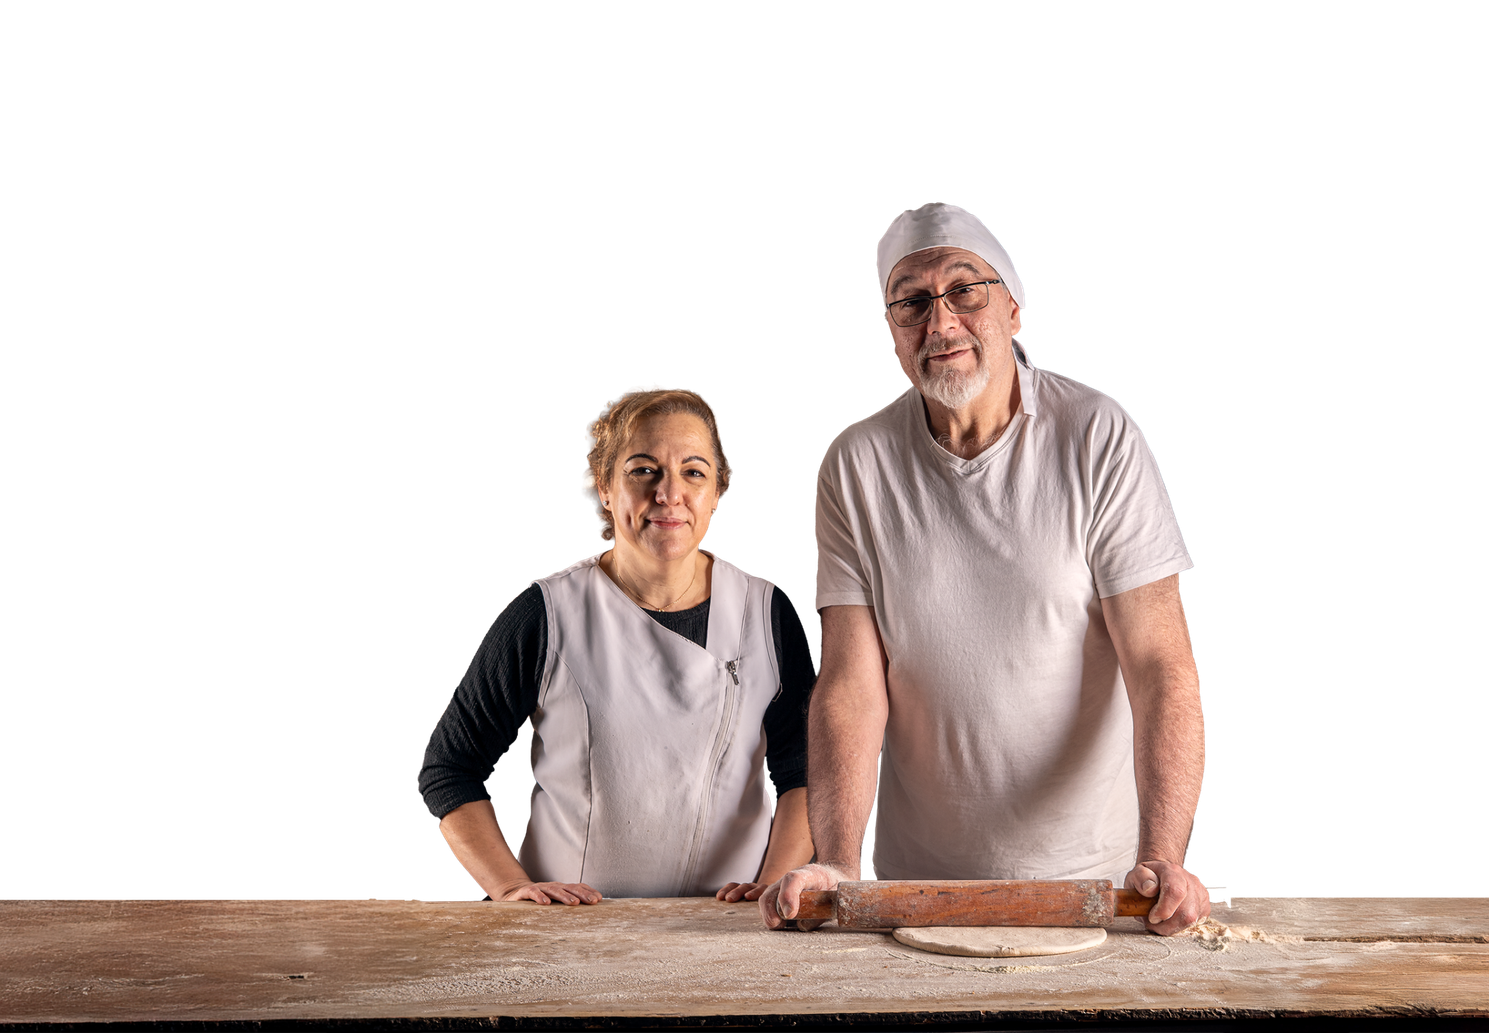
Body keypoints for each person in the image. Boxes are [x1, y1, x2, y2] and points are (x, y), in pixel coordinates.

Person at [760, 203, 1210, 936]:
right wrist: (838, 862)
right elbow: (850, 684)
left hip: (1095, 886)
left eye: (964, 289)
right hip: (915, 889)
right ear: (892, 329)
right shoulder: (856, 463)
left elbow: (1160, 666)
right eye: (911, 302)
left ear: (1014, 308)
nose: (940, 323)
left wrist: (1162, 858)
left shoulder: (1098, 436)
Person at [419, 386, 816, 904]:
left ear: (718, 491)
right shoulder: (548, 613)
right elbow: (450, 768)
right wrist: (511, 887)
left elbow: (806, 772)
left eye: (694, 472)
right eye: (643, 470)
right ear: (604, 487)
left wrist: (772, 889)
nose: (668, 494)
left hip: (728, 926)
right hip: (572, 927)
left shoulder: (765, 613)